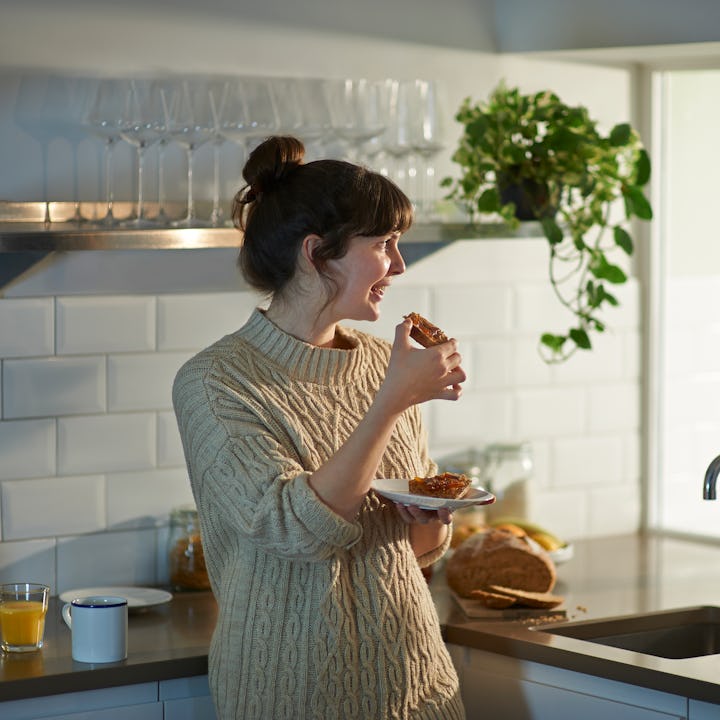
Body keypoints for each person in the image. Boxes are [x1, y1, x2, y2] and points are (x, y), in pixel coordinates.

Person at [172, 135, 467, 720]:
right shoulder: (214, 382)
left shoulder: (390, 363)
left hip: (422, 690)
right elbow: (297, 531)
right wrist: (389, 403)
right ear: (317, 253)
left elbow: (409, 553)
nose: (399, 265)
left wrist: (433, 519)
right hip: (293, 698)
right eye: (384, 244)